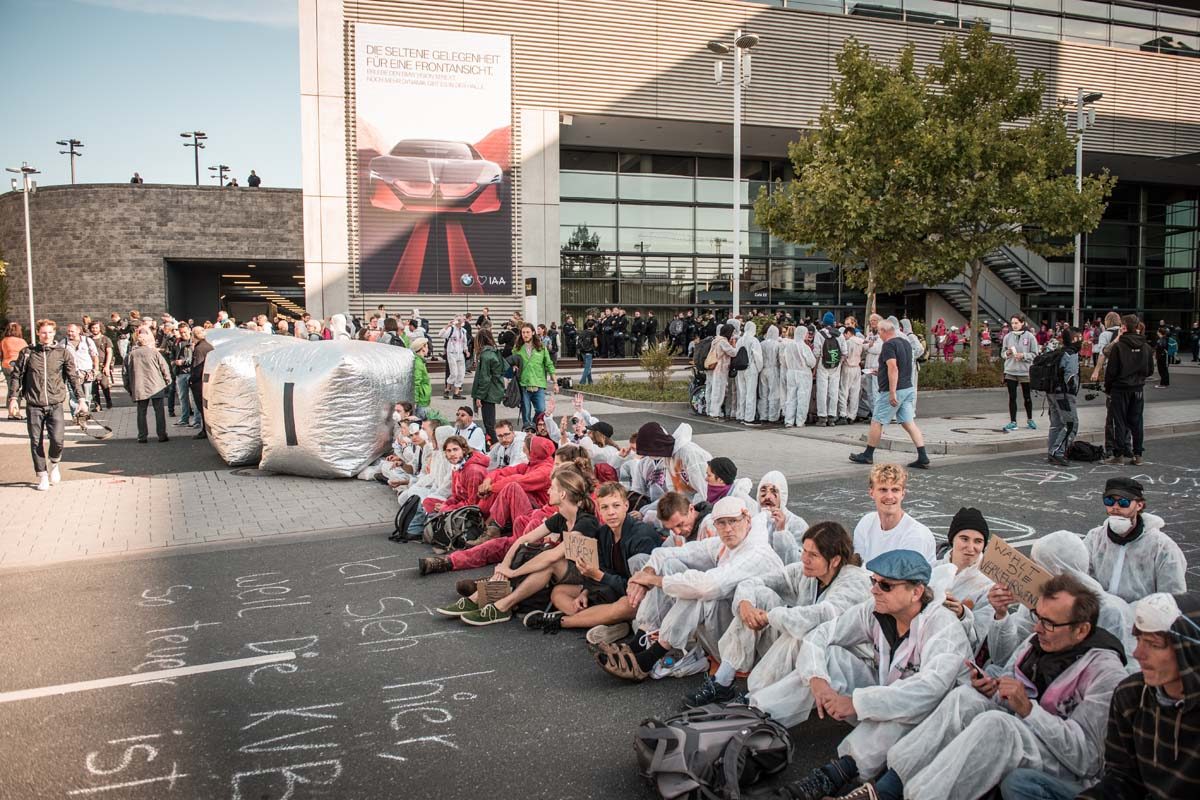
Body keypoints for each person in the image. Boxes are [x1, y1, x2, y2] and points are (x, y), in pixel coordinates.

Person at [877, 573, 1127, 800]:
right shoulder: (1036, 643)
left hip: (1066, 767)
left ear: (1081, 629)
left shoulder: (1104, 672)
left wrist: (1030, 710)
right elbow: (1008, 685)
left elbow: (1088, 760)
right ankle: (889, 787)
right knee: (964, 698)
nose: (1037, 628)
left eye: (1048, 623)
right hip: (1029, 733)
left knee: (997, 726)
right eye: (1037, 617)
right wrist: (993, 689)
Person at [764, 550, 970, 799]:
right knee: (830, 657)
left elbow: (928, 691)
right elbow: (822, 634)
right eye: (874, 581)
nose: (874, 590)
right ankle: (758, 719)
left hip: (929, 722)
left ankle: (835, 773)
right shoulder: (873, 610)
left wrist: (856, 702)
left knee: (906, 707)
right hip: (884, 696)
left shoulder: (944, 627)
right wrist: (817, 680)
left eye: (886, 585)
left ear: (916, 592)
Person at [603, 497, 785, 681]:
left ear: (747, 518)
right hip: (731, 631)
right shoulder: (724, 544)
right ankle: (640, 642)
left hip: (757, 644)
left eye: (733, 521)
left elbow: (708, 586)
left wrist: (655, 580)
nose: (728, 529)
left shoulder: (755, 552)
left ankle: (649, 657)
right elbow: (667, 553)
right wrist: (647, 574)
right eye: (721, 523)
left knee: (701, 592)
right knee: (671, 566)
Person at [693, 521, 871, 707]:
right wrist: (745, 604)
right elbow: (753, 582)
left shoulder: (855, 582)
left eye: (813, 555)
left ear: (834, 560)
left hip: (843, 658)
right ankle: (723, 681)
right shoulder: (806, 572)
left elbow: (823, 616)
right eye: (804, 551)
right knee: (759, 596)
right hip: (807, 647)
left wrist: (770, 616)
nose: (804, 559)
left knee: (801, 634)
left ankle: (753, 698)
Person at [1051, 592, 1200, 800]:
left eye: (1154, 645)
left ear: (1190, 651)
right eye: (1138, 640)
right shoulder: (1130, 696)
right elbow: (1123, 779)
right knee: (1022, 783)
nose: (1138, 653)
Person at [514, 481, 660, 635]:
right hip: (609, 589)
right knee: (559, 592)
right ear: (599, 510)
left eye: (616, 506)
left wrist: (598, 575)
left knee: (628, 605)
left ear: (626, 506)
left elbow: (637, 588)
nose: (611, 512)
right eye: (605, 507)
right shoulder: (604, 532)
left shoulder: (641, 536)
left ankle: (563, 621)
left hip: (635, 594)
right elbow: (603, 569)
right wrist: (586, 592)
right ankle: (607, 621)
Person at [7, 319, 87, 490]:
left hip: (55, 403)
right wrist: (13, 398)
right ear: (38, 333)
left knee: (57, 441)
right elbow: (16, 376)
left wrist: (81, 399)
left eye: (50, 332)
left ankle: (54, 463)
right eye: (43, 332)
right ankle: (42, 475)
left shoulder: (63, 353)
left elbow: (73, 378)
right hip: (34, 405)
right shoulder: (28, 353)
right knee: (36, 441)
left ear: (54, 333)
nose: (47, 335)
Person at [1082, 477, 1186, 604]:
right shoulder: (1095, 537)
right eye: (1109, 501)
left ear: (1139, 505)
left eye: (1123, 502)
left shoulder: (1162, 546)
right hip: (1100, 615)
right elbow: (1082, 578)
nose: (1115, 507)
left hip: (1141, 619)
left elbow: (1173, 596)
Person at [849, 318, 931, 469]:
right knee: (909, 423)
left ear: (885, 331)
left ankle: (868, 454)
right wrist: (879, 372)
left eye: (879, 331)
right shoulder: (905, 343)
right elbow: (902, 366)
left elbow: (893, 367)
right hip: (907, 388)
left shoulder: (888, 345)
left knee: (877, 421)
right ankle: (923, 456)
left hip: (893, 390)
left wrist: (892, 392)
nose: (878, 334)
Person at [849, 464, 936, 566]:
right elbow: (857, 566)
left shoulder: (916, 536)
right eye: (883, 490)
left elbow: (903, 580)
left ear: (903, 493)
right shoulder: (866, 523)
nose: (889, 496)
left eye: (895, 490)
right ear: (871, 492)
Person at [938, 507, 996, 651]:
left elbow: (978, 637)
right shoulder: (932, 568)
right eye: (964, 539)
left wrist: (962, 615)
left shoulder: (988, 584)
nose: (971, 547)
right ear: (952, 539)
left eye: (978, 541)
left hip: (957, 655)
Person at [1104, 314, 1154, 466]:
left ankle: (1118, 455)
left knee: (1119, 422)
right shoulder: (1146, 346)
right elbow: (1150, 370)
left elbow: (1111, 371)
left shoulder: (1119, 346)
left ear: (1124, 327)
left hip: (1120, 388)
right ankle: (1137, 454)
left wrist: (1108, 388)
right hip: (1137, 387)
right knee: (1137, 421)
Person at [124, 329, 172, 444]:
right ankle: (161, 435)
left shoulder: (130, 355)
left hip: (139, 387)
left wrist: (129, 388)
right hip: (156, 385)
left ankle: (142, 436)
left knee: (141, 412)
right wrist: (168, 382)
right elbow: (164, 368)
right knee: (159, 411)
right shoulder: (155, 353)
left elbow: (125, 374)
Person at [1047, 326, 1082, 466]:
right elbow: (1071, 377)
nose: (1081, 341)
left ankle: (1052, 450)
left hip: (1051, 392)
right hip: (1064, 394)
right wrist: (1072, 390)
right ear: (1074, 339)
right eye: (1079, 338)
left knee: (1056, 424)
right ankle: (1058, 452)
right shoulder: (1071, 355)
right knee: (1071, 423)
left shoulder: (1059, 353)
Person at [511, 322, 556, 428]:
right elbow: (512, 363)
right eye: (523, 332)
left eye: (527, 332)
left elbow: (549, 364)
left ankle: (534, 426)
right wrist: (513, 366)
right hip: (524, 385)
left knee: (541, 410)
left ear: (533, 333)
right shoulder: (517, 348)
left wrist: (555, 382)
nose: (525, 334)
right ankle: (528, 429)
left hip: (538, 384)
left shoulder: (541, 348)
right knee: (526, 412)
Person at [1003, 314, 1040, 432]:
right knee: (1012, 397)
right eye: (1012, 323)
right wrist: (1007, 353)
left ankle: (1030, 419)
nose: (1014, 325)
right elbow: (1002, 353)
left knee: (1027, 396)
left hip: (1025, 371)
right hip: (1010, 370)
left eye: (1016, 323)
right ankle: (1013, 422)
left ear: (1022, 323)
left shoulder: (1030, 337)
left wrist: (1023, 355)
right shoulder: (1007, 337)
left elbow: (1035, 354)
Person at [779, 325, 816, 427]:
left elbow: (783, 360)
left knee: (790, 397)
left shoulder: (789, 346)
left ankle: (789, 420)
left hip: (791, 373)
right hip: (803, 374)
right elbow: (812, 362)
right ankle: (800, 421)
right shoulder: (804, 347)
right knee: (802, 398)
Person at [471, 329, 504, 443]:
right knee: (490, 421)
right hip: (494, 389)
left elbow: (484, 378)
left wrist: (479, 396)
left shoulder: (485, 355)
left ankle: (496, 445)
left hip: (488, 392)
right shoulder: (494, 352)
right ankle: (494, 443)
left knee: (489, 423)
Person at [813, 312, 842, 426]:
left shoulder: (819, 335)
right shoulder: (839, 335)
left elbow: (817, 353)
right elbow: (844, 352)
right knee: (834, 391)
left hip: (822, 365)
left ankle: (822, 417)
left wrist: (814, 368)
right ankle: (832, 417)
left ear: (823, 323)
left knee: (822, 390)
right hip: (836, 366)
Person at [63, 323, 98, 417]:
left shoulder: (87, 341)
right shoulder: (63, 343)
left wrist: (96, 369)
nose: (70, 333)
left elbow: (94, 355)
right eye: (68, 331)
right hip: (72, 373)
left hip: (87, 371)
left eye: (72, 331)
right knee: (73, 395)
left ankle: (85, 413)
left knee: (87, 394)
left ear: (78, 331)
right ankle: (76, 415)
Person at [706, 324, 739, 419]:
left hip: (716, 368)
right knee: (719, 392)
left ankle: (714, 412)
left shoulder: (716, 340)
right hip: (720, 369)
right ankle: (714, 414)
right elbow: (733, 353)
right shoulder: (723, 342)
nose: (733, 335)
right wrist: (734, 345)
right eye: (732, 332)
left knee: (716, 390)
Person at [837, 319, 865, 426]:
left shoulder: (847, 342)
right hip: (857, 368)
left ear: (848, 333)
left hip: (847, 367)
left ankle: (843, 414)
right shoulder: (861, 341)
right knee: (855, 393)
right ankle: (852, 415)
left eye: (845, 334)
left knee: (844, 392)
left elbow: (844, 355)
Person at [734, 320, 763, 424]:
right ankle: (749, 418)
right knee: (750, 393)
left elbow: (736, 353)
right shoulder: (754, 340)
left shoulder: (740, 340)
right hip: (751, 369)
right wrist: (759, 368)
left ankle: (741, 415)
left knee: (742, 393)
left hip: (740, 369)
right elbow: (757, 356)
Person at [757, 324, 783, 423]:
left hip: (763, 370)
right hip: (773, 370)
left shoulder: (762, 344)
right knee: (774, 394)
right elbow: (780, 359)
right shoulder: (777, 344)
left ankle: (763, 415)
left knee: (763, 394)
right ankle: (772, 416)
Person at [87, 320, 115, 412]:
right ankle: (97, 405)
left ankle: (108, 401)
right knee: (94, 387)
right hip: (91, 366)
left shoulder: (105, 339)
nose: (94, 329)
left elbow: (109, 352)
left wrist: (107, 366)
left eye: (96, 327)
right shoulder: (87, 340)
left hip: (102, 365)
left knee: (104, 384)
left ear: (100, 328)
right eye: (93, 328)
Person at [439, 316, 469, 399]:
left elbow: (464, 342)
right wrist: (447, 326)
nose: (463, 321)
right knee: (454, 373)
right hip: (452, 353)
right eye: (461, 319)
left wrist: (466, 351)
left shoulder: (463, 331)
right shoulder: (451, 329)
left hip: (460, 354)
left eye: (463, 319)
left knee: (461, 373)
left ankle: (456, 393)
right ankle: (447, 390)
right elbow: (441, 334)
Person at [1, 322, 26, 419]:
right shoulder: (22, 341)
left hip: (6, 365)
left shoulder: (4, 341)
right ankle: (15, 412)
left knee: (10, 387)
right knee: (16, 389)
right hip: (17, 366)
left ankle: (11, 411)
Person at [408, 336, 432, 419]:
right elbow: (416, 383)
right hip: (422, 401)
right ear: (423, 348)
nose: (428, 349)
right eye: (427, 346)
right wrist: (415, 401)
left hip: (423, 400)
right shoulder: (418, 363)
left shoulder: (420, 361)